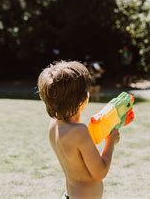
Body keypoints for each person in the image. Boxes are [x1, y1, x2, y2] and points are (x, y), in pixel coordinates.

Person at [37, 61, 120, 198]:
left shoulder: (54, 124)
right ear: (82, 100)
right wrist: (110, 142)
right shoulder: (79, 132)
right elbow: (100, 172)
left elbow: (76, 155)